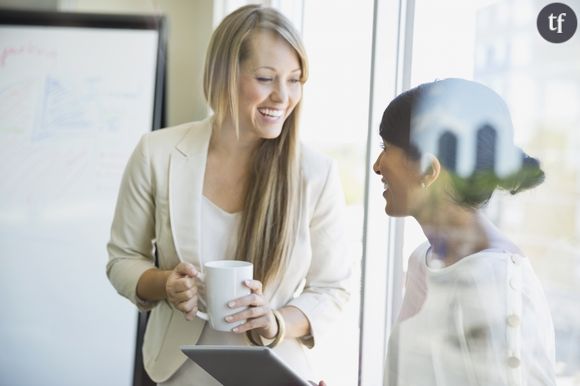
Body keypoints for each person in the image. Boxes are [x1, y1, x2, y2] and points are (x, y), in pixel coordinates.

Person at [106, 4, 351, 385]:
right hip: (175, 373)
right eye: (266, 78)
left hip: (274, 373)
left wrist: (276, 323)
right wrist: (166, 284)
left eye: (295, 79)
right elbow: (123, 259)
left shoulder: (316, 173)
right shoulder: (157, 153)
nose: (283, 96)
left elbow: (333, 288)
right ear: (224, 75)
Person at [373, 78, 556, 385]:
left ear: (429, 170)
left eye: (386, 148)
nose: (377, 166)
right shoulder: (424, 261)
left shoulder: (494, 282)